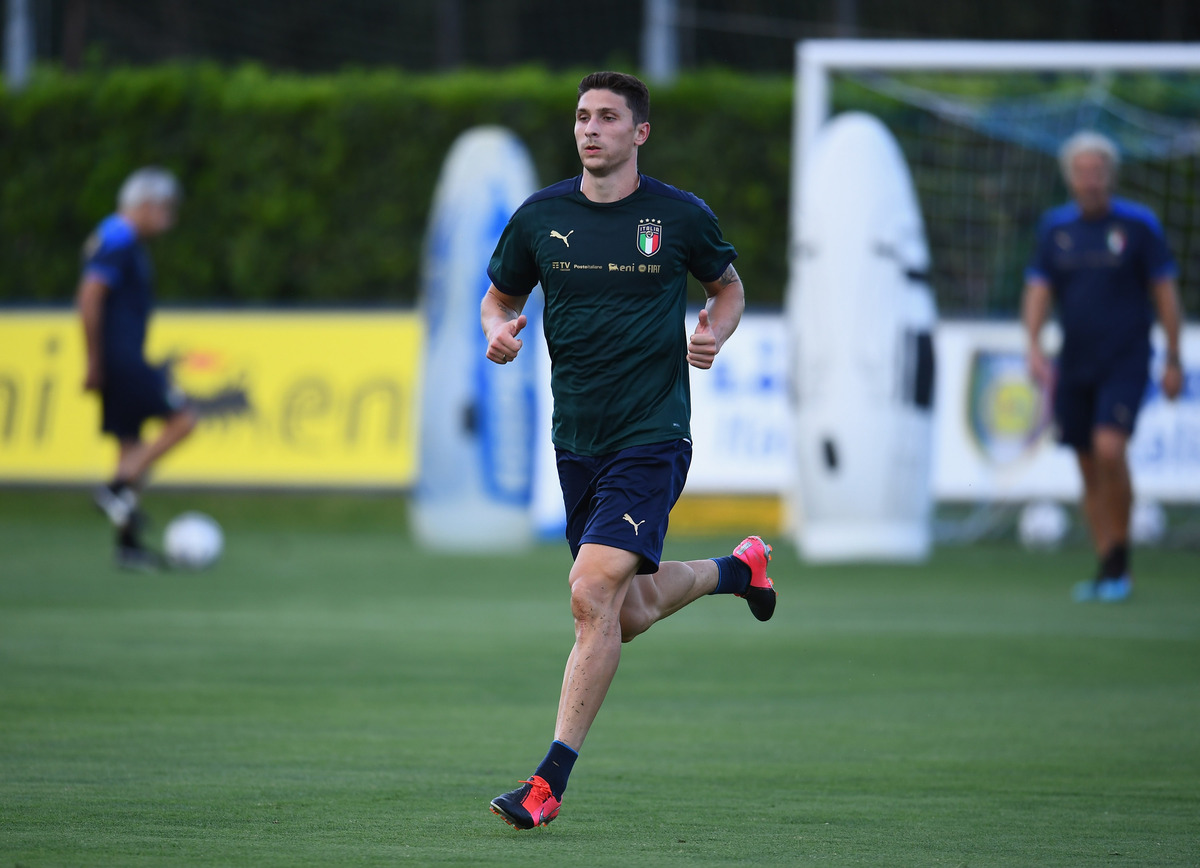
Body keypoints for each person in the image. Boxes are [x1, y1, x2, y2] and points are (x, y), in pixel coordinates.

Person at [481, 71, 776, 830]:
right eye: (582, 116)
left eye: (608, 118)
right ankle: (735, 570)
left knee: (589, 592)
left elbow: (729, 287)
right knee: (628, 608)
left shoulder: (678, 217)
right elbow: (501, 297)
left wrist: (715, 327)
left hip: (651, 434)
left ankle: (547, 783)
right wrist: (497, 328)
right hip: (576, 440)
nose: (591, 129)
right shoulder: (540, 217)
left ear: (639, 132)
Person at [1022, 130, 1185, 602]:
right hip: (1075, 361)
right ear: (1069, 177)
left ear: (1110, 175)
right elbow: (1037, 290)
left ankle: (1122, 560)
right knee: (1088, 463)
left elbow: (1165, 292)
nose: (1090, 180)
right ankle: (1107, 564)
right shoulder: (1056, 228)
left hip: (1127, 359)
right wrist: (1033, 345)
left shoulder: (1139, 226)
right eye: (1082, 171)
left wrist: (1173, 357)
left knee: (1110, 449)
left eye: (1098, 171)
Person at [77, 167, 197, 569]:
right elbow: (91, 296)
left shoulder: (114, 238)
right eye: (165, 209)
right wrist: (95, 360)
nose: (170, 218)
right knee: (183, 420)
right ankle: (113, 490)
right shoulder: (119, 239)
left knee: (130, 446)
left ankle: (127, 545)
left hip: (117, 356)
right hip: (122, 357)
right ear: (144, 204)